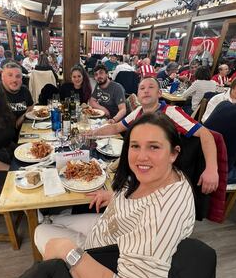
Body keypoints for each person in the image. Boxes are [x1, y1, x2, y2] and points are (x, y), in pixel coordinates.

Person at [35, 113, 196, 278]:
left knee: (40, 231)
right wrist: (114, 196)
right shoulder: (162, 173)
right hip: (109, 227)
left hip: (105, 254)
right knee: (51, 220)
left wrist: (69, 252)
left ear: (174, 153)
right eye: (135, 146)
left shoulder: (164, 216)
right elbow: (139, 197)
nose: (141, 157)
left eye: (154, 147)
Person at [91, 77, 219, 194]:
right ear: (138, 95)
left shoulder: (171, 112)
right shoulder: (138, 112)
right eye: (142, 88)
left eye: (151, 87)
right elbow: (116, 127)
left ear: (159, 93)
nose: (146, 90)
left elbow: (205, 133)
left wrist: (211, 169)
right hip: (142, 163)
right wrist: (91, 133)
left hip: (162, 172)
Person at [0, 62, 34, 128]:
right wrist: (21, 119)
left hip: (25, 131)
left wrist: (23, 116)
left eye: (18, 76)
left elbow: (30, 106)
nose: (14, 80)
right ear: (2, 77)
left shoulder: (24, 90)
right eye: (10, 75)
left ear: (21, 78)